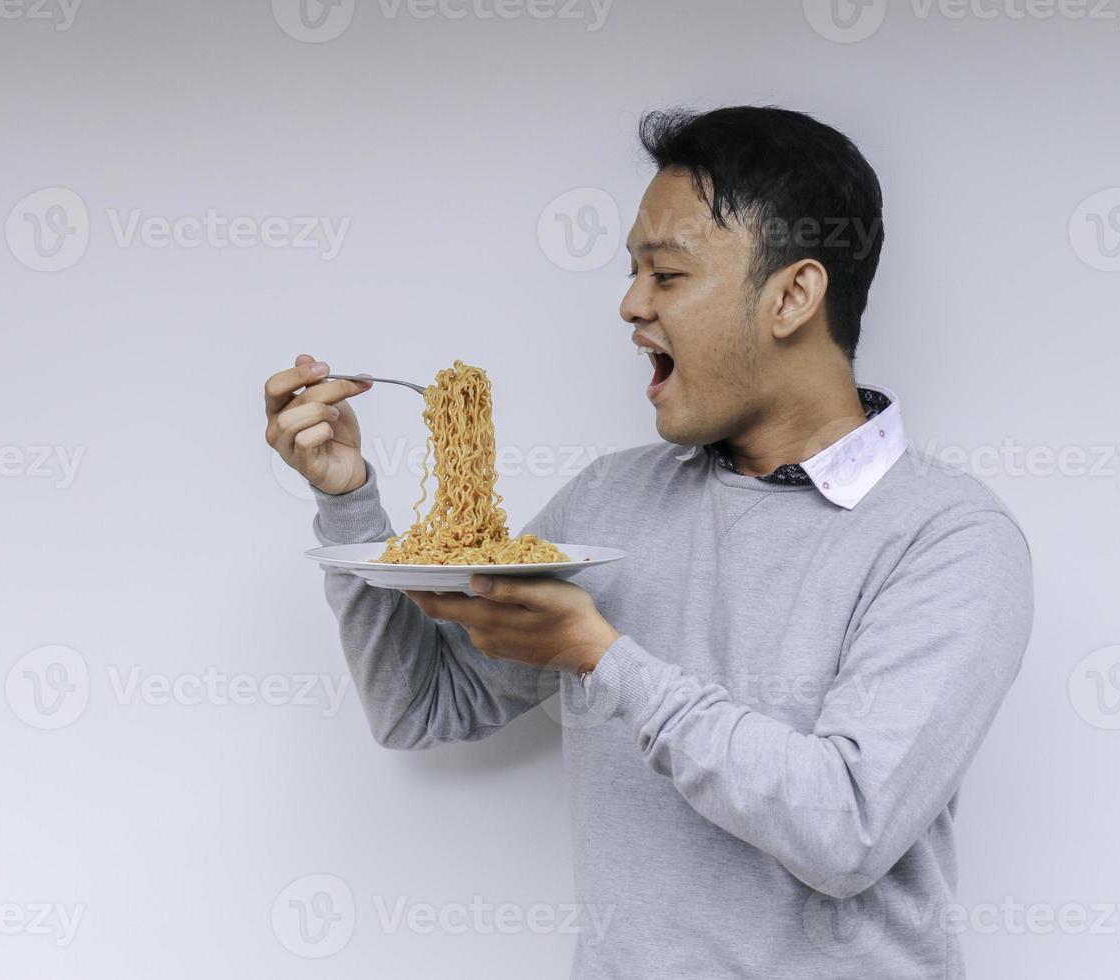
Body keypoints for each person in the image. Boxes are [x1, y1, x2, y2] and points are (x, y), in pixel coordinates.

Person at [263, 105, 1034, 979]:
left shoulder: (947, 539)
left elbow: (846, 829)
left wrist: (602, 658)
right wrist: (351, 502)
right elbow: (422, 705)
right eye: (634, 273)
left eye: (666, 275)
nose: (630, 305)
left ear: (793, 296)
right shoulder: (611, 499)